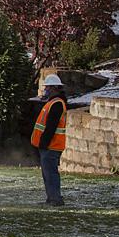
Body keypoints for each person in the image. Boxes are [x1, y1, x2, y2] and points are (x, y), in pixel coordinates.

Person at [31, 73, 68, 206]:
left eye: (47, 87)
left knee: (50, 174)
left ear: (53, 88)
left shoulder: (56, 104)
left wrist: (43, 143)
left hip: (51, 146)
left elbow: (51, 127)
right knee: (48, 174)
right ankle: (52, 198)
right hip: (50, 146)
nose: (45, 89)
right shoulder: (54, 102)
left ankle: (55, 199)